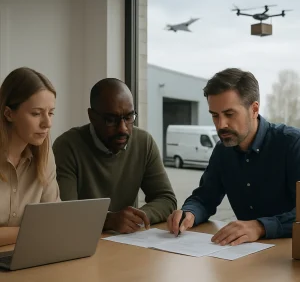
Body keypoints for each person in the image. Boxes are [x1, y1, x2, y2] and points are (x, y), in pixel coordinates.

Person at [168, 68, 300, 245]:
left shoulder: (292, 144)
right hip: (242, 255)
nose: (221, 125)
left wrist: (260, 227)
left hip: (288, 256)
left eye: (229, 114)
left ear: (254, 109)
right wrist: (189, 213)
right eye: (215, 115)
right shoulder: (223, 150)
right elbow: (204, 198)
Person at [53, 78, 177, 234]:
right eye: (111, 120)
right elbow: (65, 213)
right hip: (82, 241)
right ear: (92, 116)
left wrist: (139, 217)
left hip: (127, 243)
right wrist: (109, 220)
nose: (123, 129)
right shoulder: (67, 146)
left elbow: (166, 199)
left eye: (129, 117)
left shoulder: (143, 142)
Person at [0, 67, 60, 246]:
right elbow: (46, 228)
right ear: (9, 113)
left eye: (50, 113)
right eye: (36, 113)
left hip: (26, 254)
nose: (47, 123)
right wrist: (30, 232)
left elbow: (54, 221)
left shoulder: (45, 154)